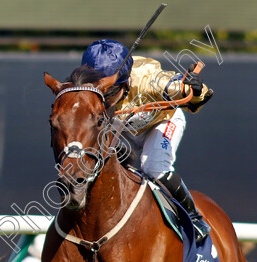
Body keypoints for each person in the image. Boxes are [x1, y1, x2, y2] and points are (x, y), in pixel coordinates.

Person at [80, 40, 213, 241]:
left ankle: (195, 218)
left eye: (109, 92)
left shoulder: (148, 79)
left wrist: (194, 90)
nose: (102, 100)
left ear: (124, 83)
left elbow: (189, 92)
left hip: (161, 122)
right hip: (124, 131)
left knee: (153, 167)